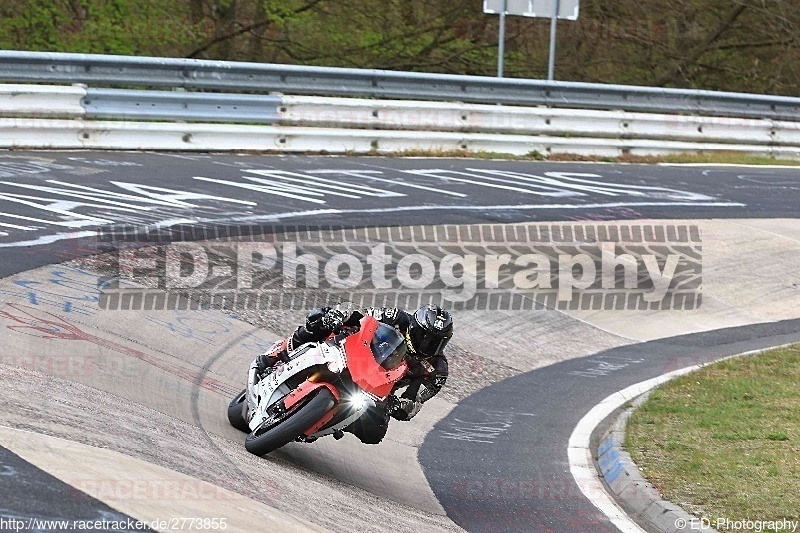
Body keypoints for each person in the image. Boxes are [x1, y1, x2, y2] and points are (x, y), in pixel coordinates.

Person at [256, 304, 453, 444]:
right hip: (354, 354)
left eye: (435, 342)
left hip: (378, 388)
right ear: (413, 326)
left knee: (374, 434)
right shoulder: (397, 318)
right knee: (321, 318)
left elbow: (414, 403)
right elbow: (363, 316)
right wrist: (340, 315)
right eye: (422, 336)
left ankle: (329, 420)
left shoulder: (437, 371)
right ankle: (277, 355)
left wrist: (399, 405)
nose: (426, 344)